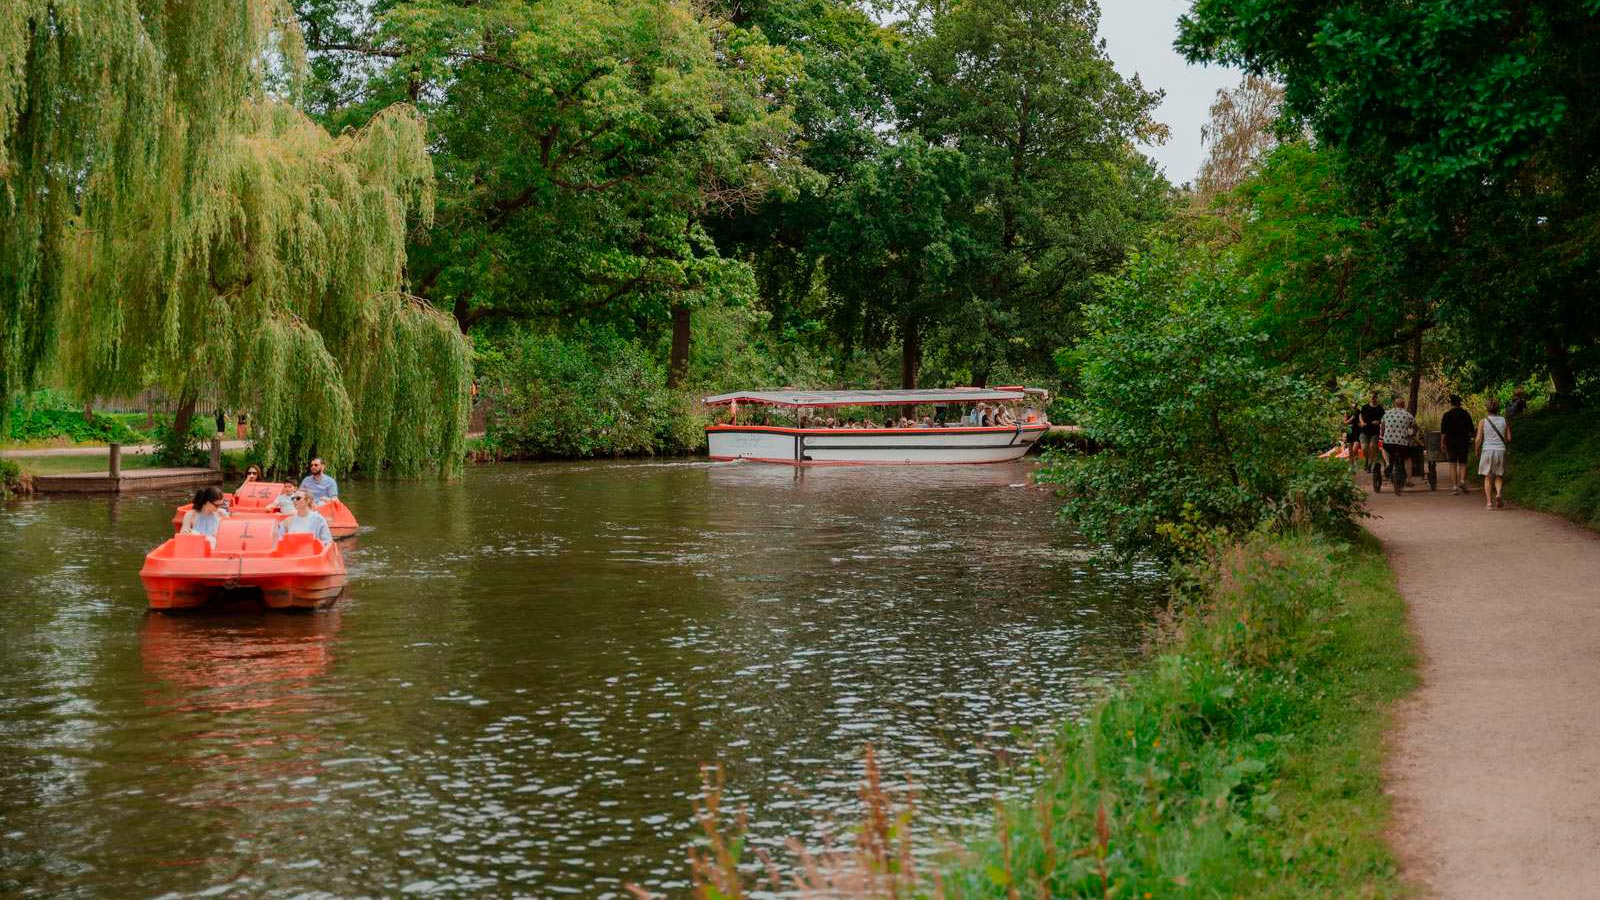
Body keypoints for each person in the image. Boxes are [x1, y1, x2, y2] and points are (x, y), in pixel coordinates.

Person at [1475, 397, 1511, 509]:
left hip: (1487, 450)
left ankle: (1489, 503)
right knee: (1499, 475)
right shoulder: (1504, 420)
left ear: (1487, 408)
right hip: (1500, 450)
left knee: (1488, 477)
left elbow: (1478, 439)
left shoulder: (1483, 422)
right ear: (1497, 408)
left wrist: (1476, 450)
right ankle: (1498, 493)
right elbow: (1509, 438)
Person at [1379, 397, 1420, 489]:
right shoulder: (1408, 415)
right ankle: (1409, 480)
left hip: (1388, 443)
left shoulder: (1386, 414)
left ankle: (1388, 463)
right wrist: (1412, 434)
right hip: (1402, 444)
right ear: (1404, 405)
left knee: (1383, 448)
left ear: (1394, 405)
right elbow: (1415, 427)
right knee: (1407, 459)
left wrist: (1383, 435)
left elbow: (1382, 428)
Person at [1439, 395, 1475, 494]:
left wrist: (1442, 443)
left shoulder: (1447, 415)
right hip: (1463, 441)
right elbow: (1471, 430)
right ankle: (1462, 480)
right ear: (1460, 403)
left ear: (1451, 403)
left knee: (1452, 464)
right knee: (1463, 463)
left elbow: (1443, 431)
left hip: (1450, 442)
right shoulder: (1466, 414)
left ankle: (1455, 487)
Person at [1358, 391, 1385, 471]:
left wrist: (1379, 421)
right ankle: (1366, 460)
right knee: (1364, 448)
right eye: (1372, 397)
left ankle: (1370, 463)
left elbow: (1383, 418)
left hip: (1375, 431)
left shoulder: (1380, 408)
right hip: (1364, 430)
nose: (1373, 399)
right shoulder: (1365, 406)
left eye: (1374, 397)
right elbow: (1360, 415)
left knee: (1372, 446)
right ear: (1370, 398)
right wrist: (1362, 422)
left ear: (1376, 398)